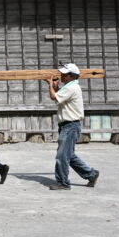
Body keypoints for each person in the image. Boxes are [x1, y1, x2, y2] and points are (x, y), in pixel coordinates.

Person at [45, 62, 99, 190]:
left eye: (64, 74)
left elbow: (54, 97)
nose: (62, 76)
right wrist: (55, 86)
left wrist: (50, 85)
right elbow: (60, 97)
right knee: (68, 155)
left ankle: (63, 183)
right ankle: (91, 174)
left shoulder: (72, 88)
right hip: (68, 126)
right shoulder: (69, 87)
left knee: (62, 156)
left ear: (71, 76)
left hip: (70, 125)